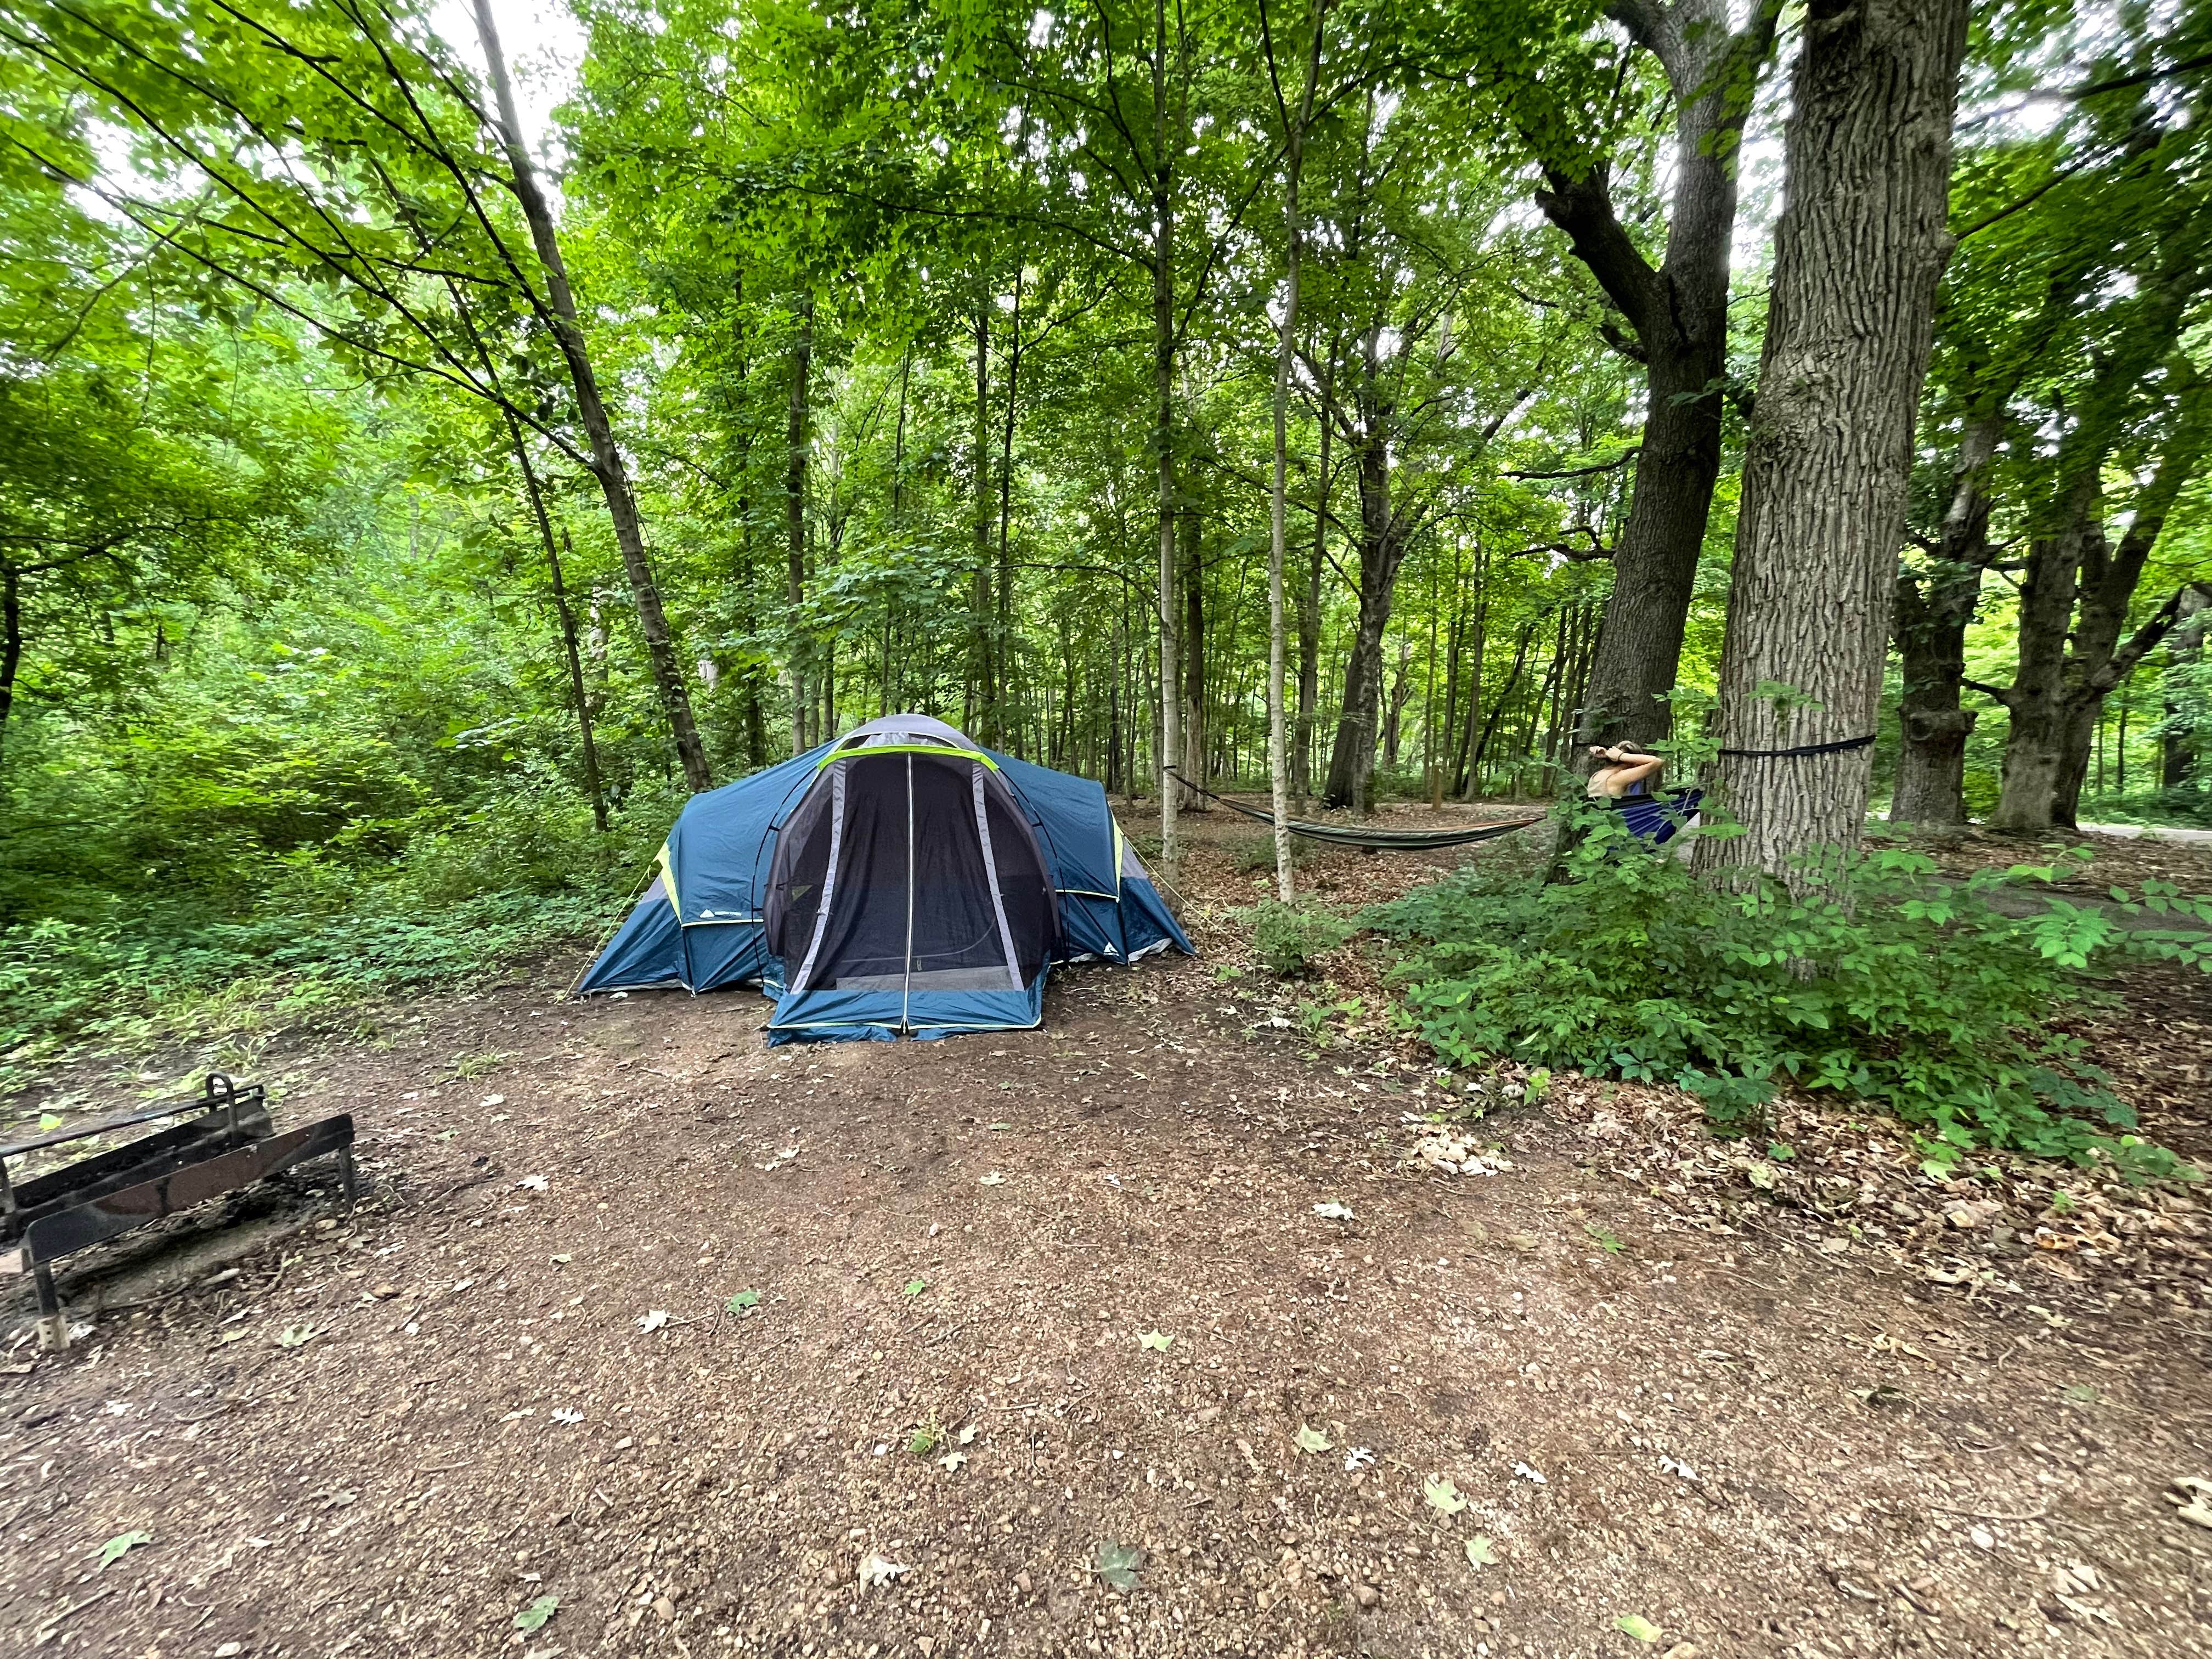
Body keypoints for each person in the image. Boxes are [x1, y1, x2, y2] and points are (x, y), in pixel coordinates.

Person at [1584, 743, 1666, 800]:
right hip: (1610, 822)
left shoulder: (1599, 774)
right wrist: (1621, 756)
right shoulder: (1620, 777)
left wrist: (1608, 755)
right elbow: (1658, 762)